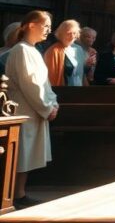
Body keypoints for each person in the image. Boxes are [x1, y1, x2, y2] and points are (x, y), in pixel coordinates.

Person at [5, 11, 59, 207]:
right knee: (21, 153)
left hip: (34, 110)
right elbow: (31, 85)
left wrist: (53, 103)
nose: (48, 30)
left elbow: (45, 84)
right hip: (24, 110)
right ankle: (14, 196)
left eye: (49, 27)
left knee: (27, 155)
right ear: (30, 25)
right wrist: (46, 107)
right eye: (45, 26)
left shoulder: (33, 50)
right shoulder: (20, 50)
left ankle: (20, 193)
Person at [43, 20, 88, 87]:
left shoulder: (79, 49)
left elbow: (81, 72)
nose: (72, 36)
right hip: (62, 91)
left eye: (74, 33)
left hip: (78, 89)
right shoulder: (53, 51)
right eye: (69, 33)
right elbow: (50, 77)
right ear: (61, 34)